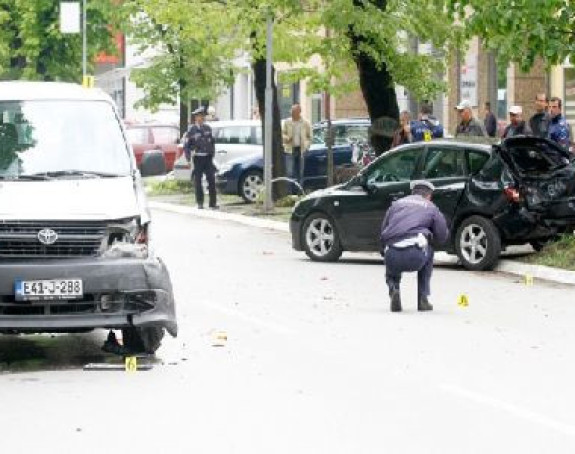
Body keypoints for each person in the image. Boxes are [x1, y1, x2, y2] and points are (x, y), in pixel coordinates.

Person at [380, 180, 449, 312]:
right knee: (429, 249)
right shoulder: (431, 207)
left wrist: (383, 252)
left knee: (391, 249)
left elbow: (383, 232)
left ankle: (394, 288)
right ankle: (423, 299)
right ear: (429, 195)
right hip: (415, 255)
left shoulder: (396, 205)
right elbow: (442, 235)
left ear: (412, 192)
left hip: (392, 256)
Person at [184, 106, 218, 209]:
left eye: (202, 116)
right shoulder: (191, 130)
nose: (201, 118)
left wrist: (212, 154)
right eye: (199, 116)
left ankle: (213, 203)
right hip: (198, 158)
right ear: (196, 118)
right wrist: (188, 158)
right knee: (198, 181)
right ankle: (200, 202)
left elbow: (212, 142)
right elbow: (187, 145)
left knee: (211, 180)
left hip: (207, 158)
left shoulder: (207, 128)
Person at [281, 103, 311, 188]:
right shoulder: (287, 122)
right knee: (290, 172)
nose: (292, 113)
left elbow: (309, 137)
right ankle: (290, 192)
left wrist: (307, 146)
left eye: (294, 111)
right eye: (292, 111)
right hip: (290, 149)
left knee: (300, 173)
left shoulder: (305, 123)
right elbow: (282, 134)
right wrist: (287, 138)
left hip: (301, 150)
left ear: (299, 112)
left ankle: (299, 192)